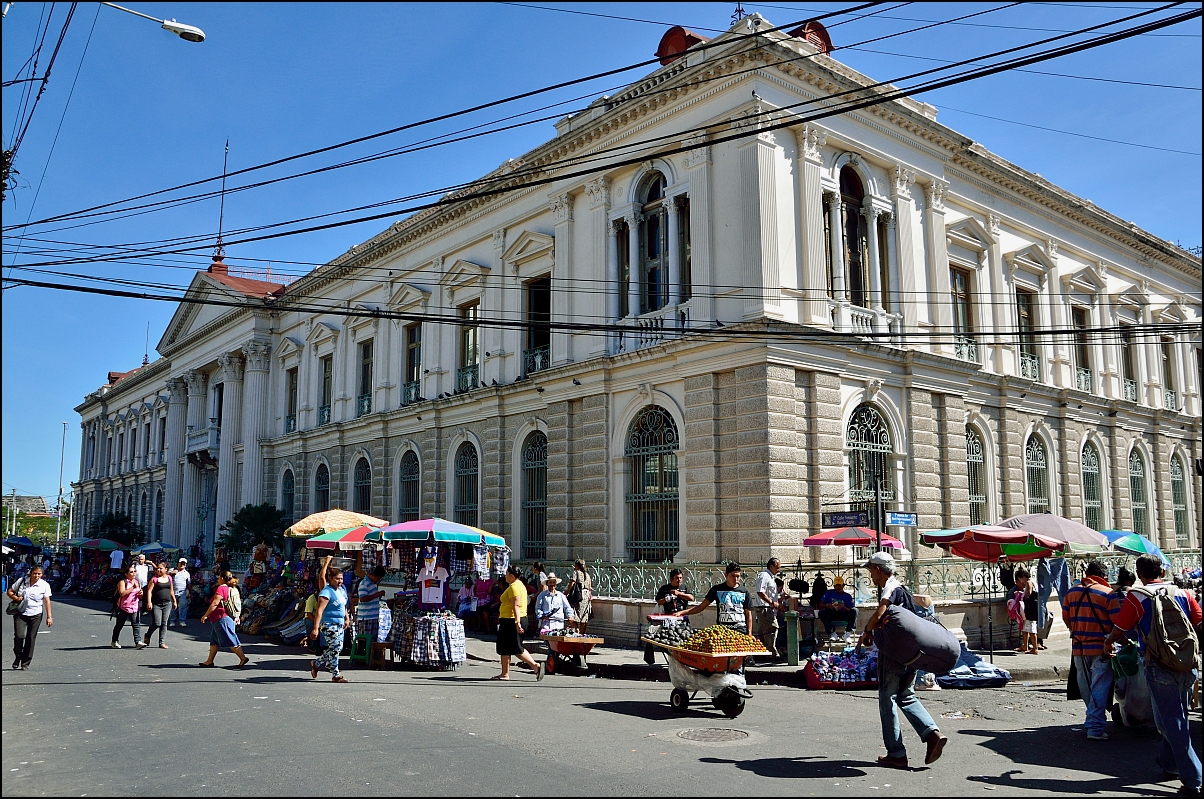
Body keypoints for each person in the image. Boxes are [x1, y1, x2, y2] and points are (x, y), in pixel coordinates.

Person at [1104, 554, 1202, 796]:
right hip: (1187, 663)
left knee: (1169, 721)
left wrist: (1109, 642)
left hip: (1158, 665)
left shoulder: (1137, 596)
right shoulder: (1184, 593)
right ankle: (1169, 765)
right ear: (1163, 572)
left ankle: (1194, 778)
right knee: (1178, 716)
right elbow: (1199, 623)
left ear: (1140, 574)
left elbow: (1120, 628)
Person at [859, 551, 947, 770]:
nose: (871, 576)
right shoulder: (904, 590)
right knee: (906, 695)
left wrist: (866, 632)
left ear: (879, 570)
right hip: (912, 654)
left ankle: (896, 753)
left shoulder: (890, 588)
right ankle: (932, 733)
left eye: (871, 571)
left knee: (887, 698)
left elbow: (880, 613)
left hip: (894, 654)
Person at [1061, 560, 1121, 741]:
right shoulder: (1108, 594)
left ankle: (1094, 721)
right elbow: (1117, 624)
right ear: (1103, 577)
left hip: (1079, 647)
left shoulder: (1071, 593)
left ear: (1087, 573)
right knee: (1100, 687)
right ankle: (1095, 727)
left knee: (1087, 688)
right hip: (1102, 647)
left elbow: (1066, 620)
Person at [493, 564, 543, 680]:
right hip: (510, 620)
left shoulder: (514, 587)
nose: (505, 575)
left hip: (512, 620)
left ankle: (535, 666)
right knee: (505, 647)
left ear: (511, 575)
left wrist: (517, 622)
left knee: (516, 648)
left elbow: (516, 605)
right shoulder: (519, 585)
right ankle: (504, 673)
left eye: (506, 573)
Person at [674, 562, 753, 634]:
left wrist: (749, 633)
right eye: (732, 576)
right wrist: (682, 613)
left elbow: (748, 614)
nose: (735, 579)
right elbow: (701, 607)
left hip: (741, 631)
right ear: (726, 575)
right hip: (723, 631)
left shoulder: (744, 592)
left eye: (738, 576)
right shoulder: (717, 589)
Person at [198, 570, 249, 669]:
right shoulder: (232, 588)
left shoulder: (222, 588)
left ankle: (242, 657)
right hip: (221, 618)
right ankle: (209, 661)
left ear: (222, 578)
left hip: (222, 618)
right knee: (214, 641)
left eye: (219, 578)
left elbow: (215, 603)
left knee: (230, 638)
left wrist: (206, 615)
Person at [310, 565, 352, 682]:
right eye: (337, 579)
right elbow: (319, 611)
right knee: (336, 647)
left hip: (339, 624)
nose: (340, 581)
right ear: (330, 578)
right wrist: (315, 628)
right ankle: (336, 675)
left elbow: (344, 606)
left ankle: (317, 663)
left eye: (341, 579)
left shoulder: (342, 591)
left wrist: (347, 618)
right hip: (328, 624)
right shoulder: (326, 592)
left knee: (337, 648)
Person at [7, 564, 52, 670]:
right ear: (31, 573)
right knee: (19, 636)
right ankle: (18, 657)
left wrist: (49, 616)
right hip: (21, 613)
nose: (36, 576)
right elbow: (10, 591)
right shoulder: (22, 581)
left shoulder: (44, 585)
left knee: (31, 638)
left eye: (39, 574)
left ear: (42, 574)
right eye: (35, 573)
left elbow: (47, 601)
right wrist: (16, 598)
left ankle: (25, 662)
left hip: (36, 614)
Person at [644, 569, 694, 663]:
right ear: (671, 579)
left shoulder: (684, 587)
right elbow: (658, 601)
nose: (679, 580)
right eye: (677, 578)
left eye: (680, 578)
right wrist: (667, 599)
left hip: (681, 618)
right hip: (668, 619)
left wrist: (679, 594)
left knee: (684, 639)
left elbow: (691, 598)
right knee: (666, 639)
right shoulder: (665, 588)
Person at [750, 558, 784, 657]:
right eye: (777, 568)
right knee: (772, 628)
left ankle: (762, 651)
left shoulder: (770, 577)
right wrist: (771, 603)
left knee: (764, 631)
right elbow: (760, 591)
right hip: (764, 607)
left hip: (768, 608)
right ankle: (772, 652)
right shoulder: (764, 576)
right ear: (771, 566)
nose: (779, 570)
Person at [142, 561, 177, 649]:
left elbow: (171, 591)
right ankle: (148, 635)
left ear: (166, 569)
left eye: (161, 568)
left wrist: (174, 601)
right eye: (157, 568)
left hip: (167, 603)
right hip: (156, 604)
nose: (158, 570)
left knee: (164, 623)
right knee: (157, 623)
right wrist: (149, 602)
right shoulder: (154, 579)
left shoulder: (169, 578)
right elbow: (149, 591)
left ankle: (162, 642)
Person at [111, 564, 146, 650]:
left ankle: (138, 641)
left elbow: (139, 595)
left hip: (134, 607)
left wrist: (141, 594)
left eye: (134, 571)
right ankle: (114, 641)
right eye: (131, 572)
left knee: (136, 625)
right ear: (126, 574)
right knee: (119, 625)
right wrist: (132, 588)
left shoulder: (137, 582)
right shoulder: (123, 582)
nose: (133, 573)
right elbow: (122, 593)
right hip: (123, 607)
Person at [818, 575, 858, 641]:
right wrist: (828, 605)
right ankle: (832, 633)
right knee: (822, 613)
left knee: (855, 611)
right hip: (832, 614)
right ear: (834, 586)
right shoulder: (829, 593)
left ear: (843, 586)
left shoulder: (847, 596)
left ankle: (847, 633)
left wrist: (843, 607)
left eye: (840, 585)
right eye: (836, 585)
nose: (838, 587)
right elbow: (820, 605)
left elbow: (850, 609)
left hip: (843, 614)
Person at [357, 565, 387, 642]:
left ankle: (371, 654)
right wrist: (377, 595)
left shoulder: (373, 583)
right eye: (377, 578)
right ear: (372, 575)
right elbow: (362, 598)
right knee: (365, 640)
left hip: (373, 617)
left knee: (373, 640)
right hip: (366, 618)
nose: (378, 580)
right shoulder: (364, 584)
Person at [564, 559, 593, 636]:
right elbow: (590, 587)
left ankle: (577, 631)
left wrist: (566, 593)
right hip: (586, 598)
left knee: (572, 615)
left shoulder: (575, 573)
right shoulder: (587, 575)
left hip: (577, 597)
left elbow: (572, 583)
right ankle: (582, 634)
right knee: (584, 618)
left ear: (576, 566)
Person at [1014, 568, 1039, 654]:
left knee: (1031, 629)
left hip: (1030, 609)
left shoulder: (1028, 583)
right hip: (1033, 608)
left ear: (1023, 577)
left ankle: (1035, 648)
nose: (1021, 581)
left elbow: (1028, 596)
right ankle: (1026, 646)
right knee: (1026, 627)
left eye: (1020, 579)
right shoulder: (1034, 581)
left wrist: (1020, 594)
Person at [169, 557, 191, 626]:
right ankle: (172, 621)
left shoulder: (187, 573)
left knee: (183, 606)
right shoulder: (172, 570)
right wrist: (171, 573)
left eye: (183, 564)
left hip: (182, 592)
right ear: (178, 563)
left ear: (185, 565)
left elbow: (189, 583)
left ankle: (182, 621)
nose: (182, 565)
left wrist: (190, 592)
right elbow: (165, 575)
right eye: (180, 563)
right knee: (173, 607)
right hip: (173, 592)